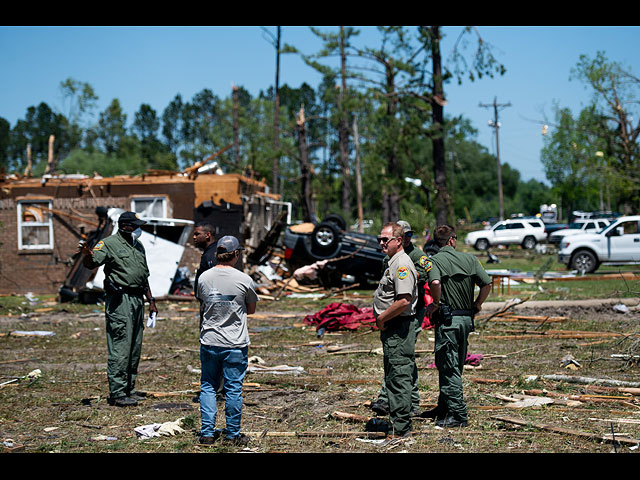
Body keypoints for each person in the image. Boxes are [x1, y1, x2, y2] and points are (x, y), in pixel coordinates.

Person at [77, 211, 158, 407]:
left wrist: (151, 300)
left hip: (137, 298)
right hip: (120, 300)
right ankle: (117, 392)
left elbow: (143, 275)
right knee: (121, 344)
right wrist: (86, 254)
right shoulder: (109, 244)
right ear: (126, 226)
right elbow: (92, 262)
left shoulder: (138, 245)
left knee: (134, 345)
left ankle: (129, 388)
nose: (139, 228)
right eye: (136, 224)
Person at [420, 224, 492, 428]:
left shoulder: (435, 261)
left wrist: (435, 303)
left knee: (448, 366)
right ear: (452, 240)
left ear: (436, 242)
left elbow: (434, 284)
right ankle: (444, 407)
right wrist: (477, 304)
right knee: (454, 364)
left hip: (448, 320)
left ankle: (459, 414)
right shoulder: (470, 259)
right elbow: (487, 283)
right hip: (466, 320)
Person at [196, 235, 259, 446]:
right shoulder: (244, 280)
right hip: (234, 343)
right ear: (236, 254)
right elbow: (250, 309)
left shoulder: (204, 278)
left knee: (208, 387)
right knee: (233, 389)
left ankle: (206, 433)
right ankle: (232, 434)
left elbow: (203, 301)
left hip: (210, 341)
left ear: (216, 254)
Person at [370, 220, 429, 418]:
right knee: (395, 364)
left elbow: (428, 272)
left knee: (402, 365)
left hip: (405, 315)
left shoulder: (412, 257)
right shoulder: (389, 258)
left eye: (385, 239)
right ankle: (389, 400)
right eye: (380, 239)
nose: (381, 243)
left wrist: (382, 317)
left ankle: (405, 408)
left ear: (400, 239)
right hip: (392, 317)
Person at [192, 222, 217, 294]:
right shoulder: (208, 252)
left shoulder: (212, 254)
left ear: (208, 235)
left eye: (197, 234)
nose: (194, 237)